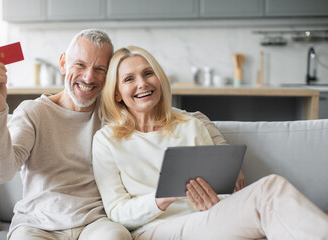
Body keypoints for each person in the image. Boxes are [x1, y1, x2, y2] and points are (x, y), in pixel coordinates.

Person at [92, 45, 328, 239]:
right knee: (268, 191)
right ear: (116, 93)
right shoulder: (107, 140)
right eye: (129, 79)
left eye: (148, 73)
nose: (142, 83)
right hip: (155, 230)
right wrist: (160, 199)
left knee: (271, 187)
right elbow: (116, 212)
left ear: (159, 79)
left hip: (208, 219)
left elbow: (223, 189)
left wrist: (215, 202)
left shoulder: (189, 125)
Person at [0, 29, 132, 240]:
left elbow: (160, 117)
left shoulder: (113, 113)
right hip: (36, 225)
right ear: (63, 63)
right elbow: (0, 173)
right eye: (80, 65)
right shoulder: (33, 111)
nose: (89, 77)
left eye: (100, 69)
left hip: (95, 223)